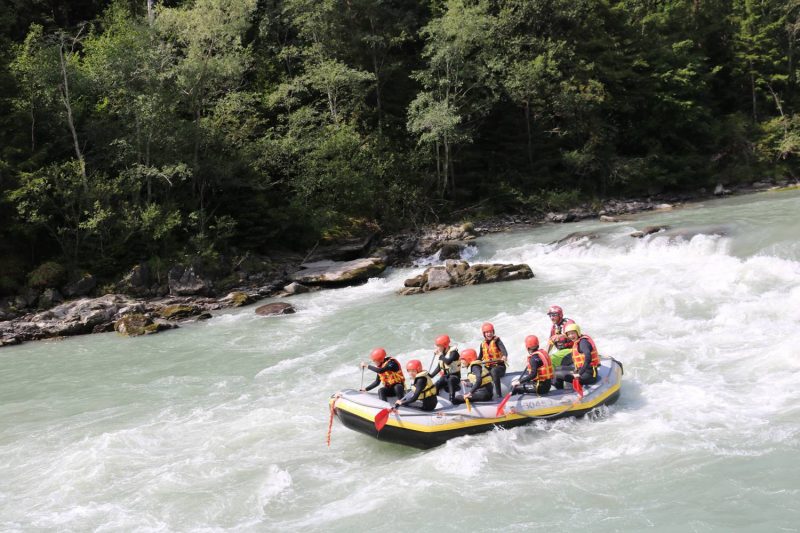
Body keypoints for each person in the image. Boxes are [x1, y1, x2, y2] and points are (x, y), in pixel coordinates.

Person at [554, 323, 600, 389]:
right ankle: (560, 389)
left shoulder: (583, 343)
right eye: (569, 334)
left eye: (573, 333)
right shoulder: (579, 340)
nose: (570, 336)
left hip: (589, 375)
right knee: (557, 368)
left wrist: (579, 374)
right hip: (582, 370)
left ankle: (561, 393)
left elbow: (588, 357)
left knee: (557, 375)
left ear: (578, 332)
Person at [479, 322, 507, 397]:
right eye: (487, 332)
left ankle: (499, 395)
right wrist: (473, 363)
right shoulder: (482, 344)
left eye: (490, 332)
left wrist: (504, 356)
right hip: (488, 368)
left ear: (493, 332)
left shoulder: (497, 341)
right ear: (484, 334)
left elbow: (504, 351)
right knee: (480, 372)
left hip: (499, 367)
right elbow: (480, 357)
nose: (489, 334)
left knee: (494, 370)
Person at [432, 334, 461, 403]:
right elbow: (439, 367)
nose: (437, 348)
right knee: (437, 384)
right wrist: (430, 376)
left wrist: (441, 355)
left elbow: (448, 362)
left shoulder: (454, 353)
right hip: (445, 376)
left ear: (445, 345)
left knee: (450, 380)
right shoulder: (443, 353)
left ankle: (452, 399)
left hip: (455, 376)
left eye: (439, 346)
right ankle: (435, 399)